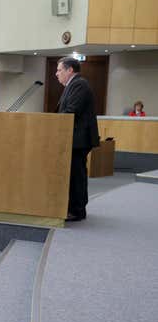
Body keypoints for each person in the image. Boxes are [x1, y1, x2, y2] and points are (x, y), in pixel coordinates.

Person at [56, 57, 99, 222]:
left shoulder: (79, 84)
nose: (56, 73)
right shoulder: (73, 85)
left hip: (78, 139)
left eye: (59, 70)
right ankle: (77, 207)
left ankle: (77, 210)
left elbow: (71, 111)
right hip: (74, 138)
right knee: (76, 173)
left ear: (70, 70)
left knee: (76, 174)